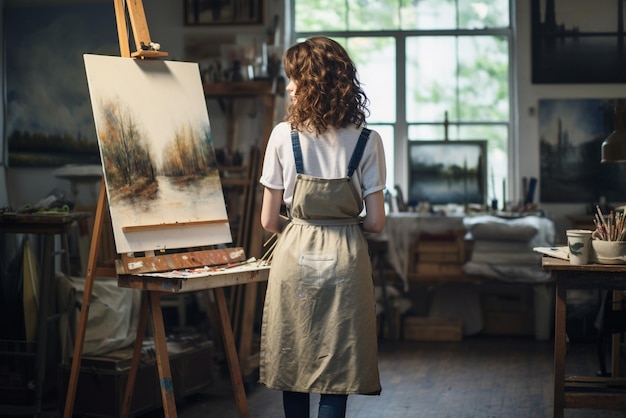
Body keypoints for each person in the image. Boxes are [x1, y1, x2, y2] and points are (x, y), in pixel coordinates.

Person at [258, 36, 387, 418]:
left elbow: (268, 221)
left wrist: (301, 230)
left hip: (294, 257)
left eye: (293, 78)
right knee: (338, 368)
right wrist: (341, 230)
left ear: (310, 82)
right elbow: (377, 223)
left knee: (292, 362)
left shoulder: (283, 135)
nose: (288, 87)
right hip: (345, 259)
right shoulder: (368, 140)